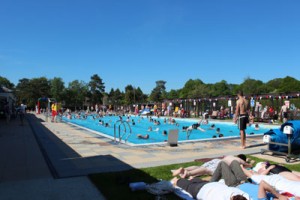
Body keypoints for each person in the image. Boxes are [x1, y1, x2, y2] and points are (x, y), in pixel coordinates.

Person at [172, 154, 252, 179]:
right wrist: (249, 162)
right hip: (221, 165)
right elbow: (249, 165)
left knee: (198, 167)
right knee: (206, 170)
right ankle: (188, 173)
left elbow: (221, 157)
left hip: (216, 161)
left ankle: (182, 169)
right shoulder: (240, 160)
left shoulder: (230, 156)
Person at [171, 176, 250, 200]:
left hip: (211, 184)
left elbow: (247, 196)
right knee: (176, 181)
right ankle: (180, 179)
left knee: (196, 181)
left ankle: (191, 178)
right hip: (199, 189)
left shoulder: (238, 192)